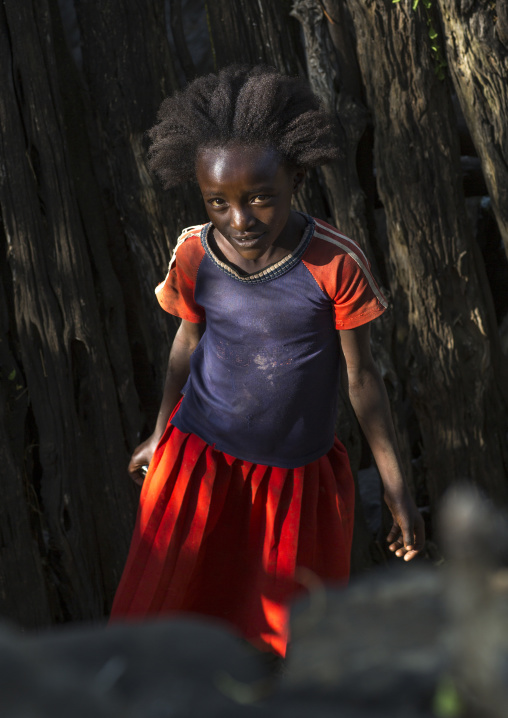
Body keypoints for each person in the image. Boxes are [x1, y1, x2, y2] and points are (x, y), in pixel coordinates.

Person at [110, 65, 425, 657]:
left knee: (281, 644)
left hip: (292, 483)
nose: (240, 219)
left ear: (297, 176)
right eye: (218, 202)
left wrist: (395, 487)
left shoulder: (335, 264)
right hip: (199, 465)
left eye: (260, 198)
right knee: (165, 620)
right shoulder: (196, 253)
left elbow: (362, 382)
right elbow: (185, 343)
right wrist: (158, 436)